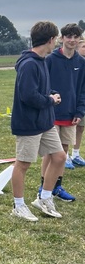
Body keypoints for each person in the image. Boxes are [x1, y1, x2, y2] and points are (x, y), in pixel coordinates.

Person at [10, 20, 66, 221]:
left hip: (45, 121)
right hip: (28, 123)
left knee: (59, 157)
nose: (57, 44)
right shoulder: (29, 64)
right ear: (50, 40)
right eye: (56, 40)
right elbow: (28, 96)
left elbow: (39, 90)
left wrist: (51, 94)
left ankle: (44, 198)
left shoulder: (42, 61)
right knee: (23, 164)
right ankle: (18, 205)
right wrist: (49, 100)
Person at [39, 23, 85, 201]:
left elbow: (82, 89)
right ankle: (43, 187)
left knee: (63, 152)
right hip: (52, 112)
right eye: (68, 36)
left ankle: (57, 187)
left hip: (71, 114)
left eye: (75, 37)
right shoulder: (50, 60)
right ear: (61, 38)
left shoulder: (81, 63)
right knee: (51, 153)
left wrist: (80, 111)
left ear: (79, 39)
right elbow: (44, 85)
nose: (72, 40)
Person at [70, 37, 85, 166]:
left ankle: (75, 153)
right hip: (72, 100)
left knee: (80, 128)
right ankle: (65, 156)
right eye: (84, 46)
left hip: (82, 101)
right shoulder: (74, 62)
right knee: (68, 128)